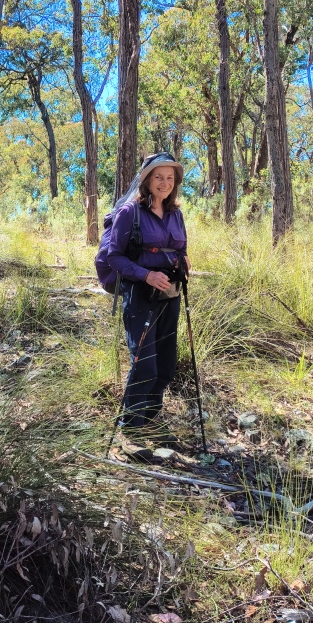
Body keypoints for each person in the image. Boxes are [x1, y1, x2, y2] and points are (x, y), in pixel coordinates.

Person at [106, 152, 189, 443]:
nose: (164, 183)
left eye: (170, 178)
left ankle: (151, 422)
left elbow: (180, 249)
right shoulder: (131, 212)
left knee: (165, 363)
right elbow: (114, 256)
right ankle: (131, 429)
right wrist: (146, 275)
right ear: (147, 180)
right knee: (145, 363)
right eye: (158, 177)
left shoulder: (176, 214)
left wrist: (183, 261)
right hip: (140, 293)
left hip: (170, 293)